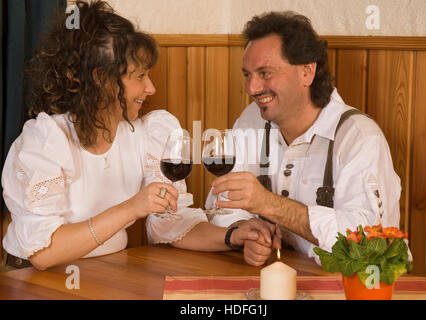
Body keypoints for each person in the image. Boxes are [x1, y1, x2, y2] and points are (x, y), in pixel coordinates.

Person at [0, 1, 278, 272]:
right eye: (140, 76)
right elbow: (44, 254)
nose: (151, 88)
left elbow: (171, 223)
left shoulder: (147, 134)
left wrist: (232, 236)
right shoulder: (47, 139)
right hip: (34, 281)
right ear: (102, 78)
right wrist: (132, 208)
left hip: (107, 275)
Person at [206, 11, 402, 262]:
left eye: (265, 73)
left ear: (307, 72)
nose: (251, 89)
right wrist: (244, 232)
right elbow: (220, 205)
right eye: (247, 74)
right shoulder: (251, 120)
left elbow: (369, 244)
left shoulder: (359, 137)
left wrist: (268, 204)